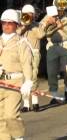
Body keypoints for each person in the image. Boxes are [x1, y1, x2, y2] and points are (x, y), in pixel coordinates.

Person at [0, 9, 33, 140]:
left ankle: (18, 137)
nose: (6, 25)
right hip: (0, 83)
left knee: (11, 116)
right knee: (0, 119)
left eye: (10, 23)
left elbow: (26, 63)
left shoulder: (21, 42)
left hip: (14, 83)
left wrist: (28, 81)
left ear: (16, 25)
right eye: (4, 23)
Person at [40, 0, 67, 104]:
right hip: (52, 45)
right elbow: (40, 31)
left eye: (63, 7)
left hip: (65, 44)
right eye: (59, 6)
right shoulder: (48, 16)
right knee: (51, 72)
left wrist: (62, 27)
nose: (61, 9)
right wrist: (47, 23)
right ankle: (54, 94)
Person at [17, 4, 45, 112]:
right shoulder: (19, 26)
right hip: (23, 54)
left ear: (33, 15)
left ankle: (35, 102)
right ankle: (26, 104)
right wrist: (24, 25)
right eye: (26, 14)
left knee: (33, 77)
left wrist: (31, 25)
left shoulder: (37, 25)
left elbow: (41, 35)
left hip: (34, 53)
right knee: (24, 79)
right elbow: (17, 34)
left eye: (30, 14)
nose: (28, 16)